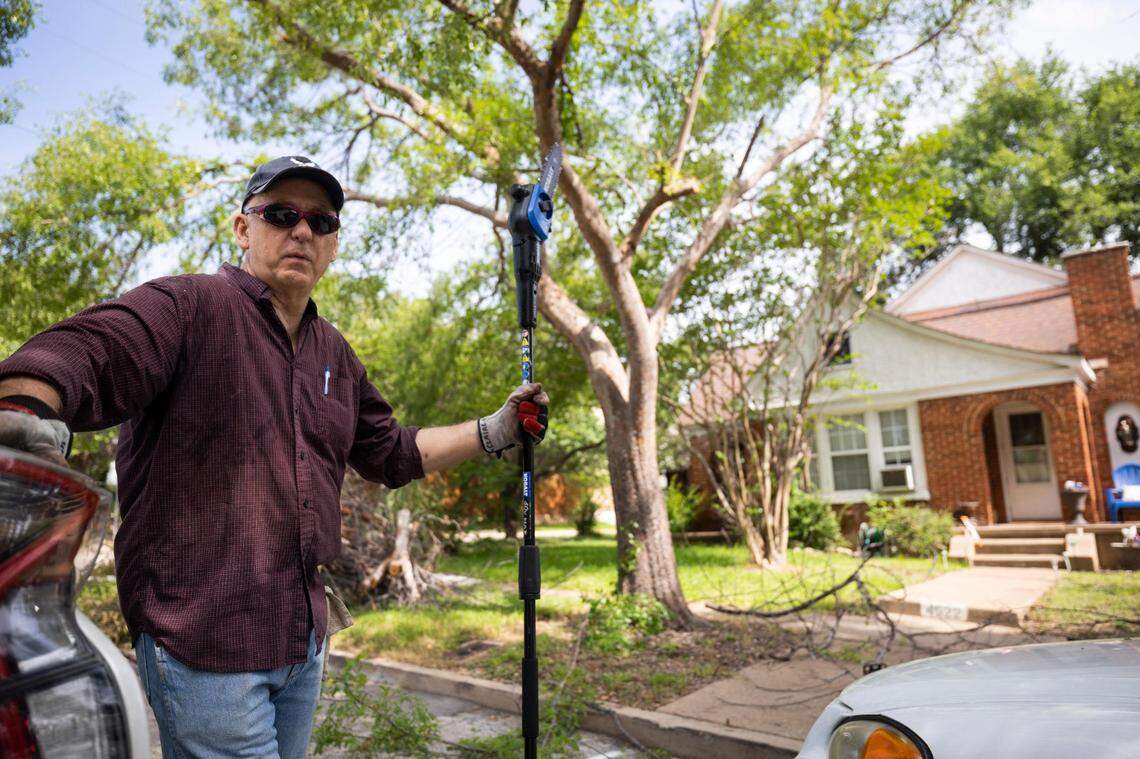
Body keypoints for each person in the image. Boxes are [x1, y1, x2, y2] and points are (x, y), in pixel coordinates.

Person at [0, 155, 549, 758]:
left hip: (301, 643)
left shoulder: (333, 352)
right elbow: (86, 352)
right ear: (244, 228)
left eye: (321, 222)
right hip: (205, 649)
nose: (302, 232)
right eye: (282, 214)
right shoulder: (187, 307)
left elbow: (390, 451)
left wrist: (495, 430)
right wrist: (25, 409)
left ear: (334, 245)